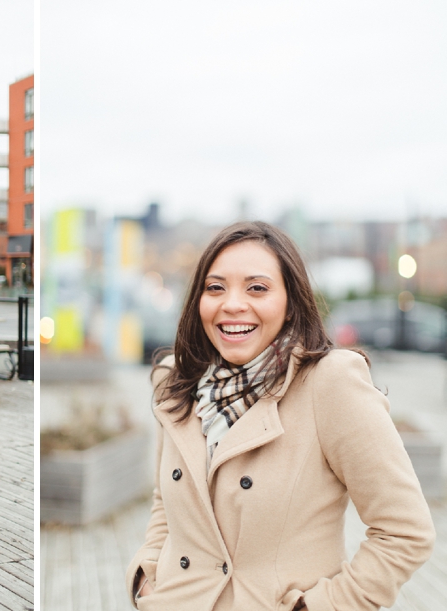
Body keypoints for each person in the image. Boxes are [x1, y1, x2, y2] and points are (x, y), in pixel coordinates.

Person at [127, 221, 434, 611]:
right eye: (215, 287)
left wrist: (319, 607)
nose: (233, 304)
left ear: (291, 304)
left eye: (257, 288)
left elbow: (404, 531)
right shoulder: (178, 382)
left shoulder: (329, 383)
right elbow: (165, 502)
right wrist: (147, 578)